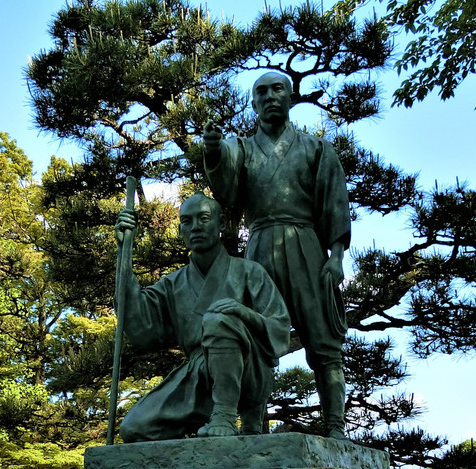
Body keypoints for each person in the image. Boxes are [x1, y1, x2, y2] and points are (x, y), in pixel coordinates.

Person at [203, 70, 352, 439]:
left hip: (306, 245)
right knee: (255, 336)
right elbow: (227, 188)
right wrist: (213, 152)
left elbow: (334, 203)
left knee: (322, 336)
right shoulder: (243, 148)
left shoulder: (317, 149)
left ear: (290, 98)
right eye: (261, 92)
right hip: (259, 248)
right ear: (253, 103)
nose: (270, 96)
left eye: (277, 90)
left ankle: (335, 423)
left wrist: (335, 257)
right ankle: (253, 423)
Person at [113, 192, 290, 442]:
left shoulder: (249, 271)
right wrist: (124, 253)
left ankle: (225, 416)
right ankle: (196, 450)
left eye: (204, 218)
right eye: (187, 221)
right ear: (181, 229)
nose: (195, 227)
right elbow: (140, 322)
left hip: (249, 371)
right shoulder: (173, 284)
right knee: (134, 429)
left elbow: (280, 327)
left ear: (221, 224)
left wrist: (242, 313)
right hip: (198, 376)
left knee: (218, 319)